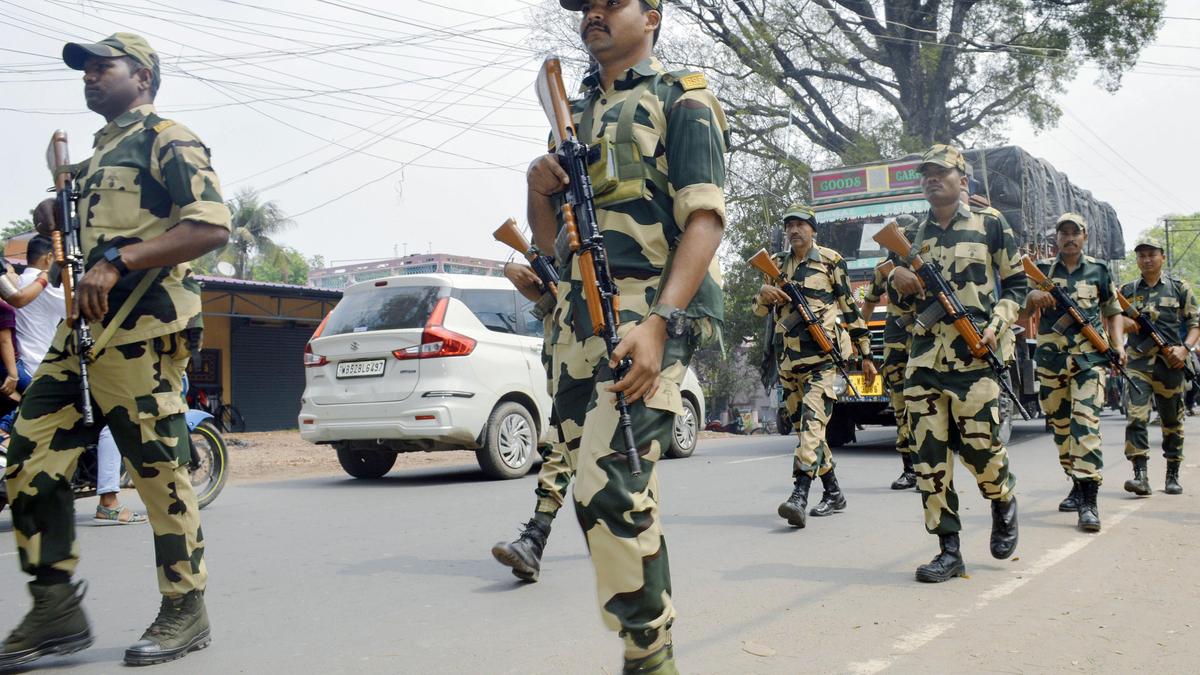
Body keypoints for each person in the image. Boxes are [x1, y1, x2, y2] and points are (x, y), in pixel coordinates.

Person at [1, 32, 230, 669]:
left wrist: (120, 261)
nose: (90, 76)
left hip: (143, 331)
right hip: (80, 334)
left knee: (159, 472)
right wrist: (57, 211)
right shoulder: (94, 158)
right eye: (86, 69)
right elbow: (93, 229)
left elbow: (210, 225)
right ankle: (55, 609)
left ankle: (185, 607)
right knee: (27, 457)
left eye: (104, 66)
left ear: (143, 77)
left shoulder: (169, 139)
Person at [528, 1, 728, 670]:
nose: (593, 13)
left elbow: (704, 220)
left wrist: (660, 323)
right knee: (611, 496)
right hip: (578, 325)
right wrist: (537, 187)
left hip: (647, 318)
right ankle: (650, 650)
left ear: (652, 16)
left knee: (609, 485)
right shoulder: (573, 113)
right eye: (585, 6)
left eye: (610, 2)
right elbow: (551, 245)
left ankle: (649, 657)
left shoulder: (683, 100)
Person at [889, 144, 1027, 583]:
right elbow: (897, 301)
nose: (932, 179)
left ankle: (1002, 498)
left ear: (962, 180)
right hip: (924, 360)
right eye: (926, 173)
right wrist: (895, 276)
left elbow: (1017, 286)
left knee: (981, 450)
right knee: (928, 460)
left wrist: (998, 325)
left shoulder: (991, 224)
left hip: (975, 357)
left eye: (941, 172)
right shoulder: (911, 235)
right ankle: (949, 551)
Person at [753, 204, 874, 527]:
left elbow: (850, 309)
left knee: (811, 427)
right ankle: (833, 492)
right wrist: (763, 294)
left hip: (821, 361)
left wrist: (866, 354)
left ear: (813, 229)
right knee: (807, 433)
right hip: (788, 363)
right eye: (789, 225)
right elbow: (760, 312)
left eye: (801, 224)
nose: (794, 230)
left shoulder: (831, 261)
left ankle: (799, 495)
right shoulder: (775, 264)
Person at [1023, 213, 1120, 531]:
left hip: (1089, 361)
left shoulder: (1098, 270)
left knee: (1085, 425)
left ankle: (1089, 502)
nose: (1069, 237)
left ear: (1084, 236)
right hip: (1052, 362)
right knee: (1062, 428)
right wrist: (1032, 297)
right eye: (1063, 232)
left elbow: (1112, 311)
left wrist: (1117, 346)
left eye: (1075, 232)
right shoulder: (1041, 271)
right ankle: (1076, 484)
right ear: (1057, 238)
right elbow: (1020, 309)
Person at [491, 261, 570, 583]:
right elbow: (538, 275)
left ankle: (631, 543)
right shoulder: (558, 241)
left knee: (621, 457)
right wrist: (514, 270)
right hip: (567, 349)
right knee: (560, 444)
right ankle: (534, 540)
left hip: (616, 344)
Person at [1112, 234, 1199, 496]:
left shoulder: (1179, 288)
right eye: (1142, 255)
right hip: (1138, 363)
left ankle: (1172, 473)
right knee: (1136, 417)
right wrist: (1125, 327)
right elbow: (1114, 321)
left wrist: (1184, 349)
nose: (1147, 259)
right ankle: (1140, 476)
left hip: (1170, 363)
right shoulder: (1127, 291)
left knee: (1172, 421)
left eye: (1152, 254)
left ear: (1162, 257)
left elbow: (1195, 323)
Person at [859, 215, 918, 490]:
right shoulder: (884, 270)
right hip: (895, 346)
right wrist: (857, 337)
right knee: (900, 406)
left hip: (925, 343)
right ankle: (910, 469)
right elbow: (868, 306)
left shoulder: (924, 264)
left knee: (926, 405)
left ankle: (929, 469)